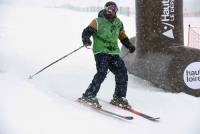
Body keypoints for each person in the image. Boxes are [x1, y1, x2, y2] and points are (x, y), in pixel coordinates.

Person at [79, 1, 135, 108]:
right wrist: (86, 39)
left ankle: (119, 97)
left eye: (114, 9)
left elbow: (122, 36)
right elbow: (87, 31)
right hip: (101, 51)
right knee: (102, 72)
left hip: (113, 52)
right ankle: (89, 95)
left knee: (122, 72)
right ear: (105, 9)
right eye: (110, 8)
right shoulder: (97, 21)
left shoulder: (118, 22)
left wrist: (129, 45)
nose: (112, 11)